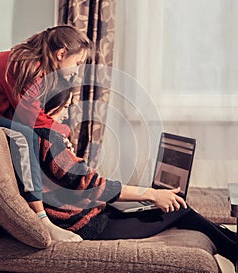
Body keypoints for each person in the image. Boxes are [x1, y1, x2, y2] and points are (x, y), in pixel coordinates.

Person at [36, 88, 237, 266]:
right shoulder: (50, 139)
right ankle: (234, 249)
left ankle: (233, 243)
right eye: (65, 106)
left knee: (176, 209)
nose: (67, 113)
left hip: (90, 212)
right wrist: (152, 194)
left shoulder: (42, 135)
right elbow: (92, 184)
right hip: (87, 225)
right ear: (52, 104)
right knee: (179, 209)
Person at [0, 25, 91, 242]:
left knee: (29, 136)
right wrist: (62, 133)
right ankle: (42, 219)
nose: (77, 71)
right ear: (61, 54)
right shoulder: (22, 64)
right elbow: (29, 118)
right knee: (24, 136)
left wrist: (57, 134)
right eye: (77, 63)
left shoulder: (36, 68)